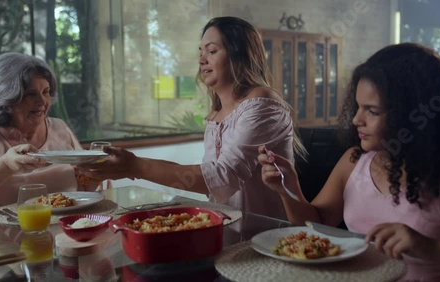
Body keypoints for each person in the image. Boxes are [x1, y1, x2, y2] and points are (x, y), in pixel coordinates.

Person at [259, 42, 440, 281]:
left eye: (372, 111)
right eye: (358, 107)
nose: (356, 119)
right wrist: (288, 187)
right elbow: (315, 224)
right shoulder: (354, 161)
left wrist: (431, 248)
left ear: (413, 114)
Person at [78, 16, 306, 220]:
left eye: (212, 51)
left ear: (240, 55)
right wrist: (131, 166)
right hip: (225, 233)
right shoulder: (216, 114)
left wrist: (135, 166)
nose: (201, 60)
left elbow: (224, 177)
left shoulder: (262, 103)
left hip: (265, 238)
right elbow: (209, 175)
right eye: (200, 52)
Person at [0, 52, 98, 206]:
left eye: (46, 92)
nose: (42, 101)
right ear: (6, 100)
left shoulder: (59, 127)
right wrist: (6, 165)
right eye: (31, 94)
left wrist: (99, 173)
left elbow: (84, 188)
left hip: (65, 227)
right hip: (8, 229)